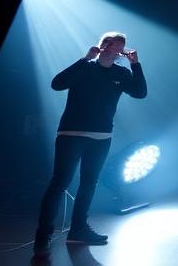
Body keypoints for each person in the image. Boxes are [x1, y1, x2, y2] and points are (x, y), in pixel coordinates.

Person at [33, 32, 147, 257]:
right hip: (71, 133)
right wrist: (85, 58)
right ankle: (42, 238)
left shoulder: (121, 73)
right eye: (110, 44)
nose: (114, 50)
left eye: (119, 48)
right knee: (59, 184)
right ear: (102, 44)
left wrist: (136, 65)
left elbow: (140, 93)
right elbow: (57, 84)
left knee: (89, 184)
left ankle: (78, 230)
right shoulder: (85, 67)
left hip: (101, 136)